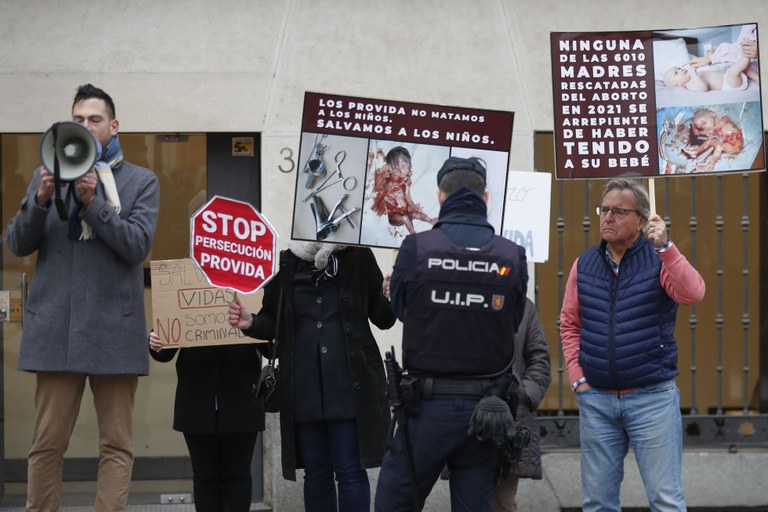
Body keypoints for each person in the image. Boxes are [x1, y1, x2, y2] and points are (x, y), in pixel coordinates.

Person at [6, 83, 160, 511]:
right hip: (57, 329)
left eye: (94, 120)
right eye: (77, 120)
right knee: (46, 445)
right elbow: (17, 244)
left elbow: (137, 246)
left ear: (114, 126)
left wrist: (93, 203)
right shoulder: (45, 176)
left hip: (114, 328)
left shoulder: (139, 182)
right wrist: (38, 199)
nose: (86, 127)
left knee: (116, 446)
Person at [375, 156, 529, 512]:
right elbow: (514, 320)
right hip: (486, 414)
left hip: (427, 411)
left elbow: (401, 311)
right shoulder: (513, 255)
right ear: (485, 198)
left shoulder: (416, 249)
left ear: (441, 197)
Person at [560, 178, 705, 512]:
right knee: (597, 503)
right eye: (604, 209)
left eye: (619, 211)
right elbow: (569, 323)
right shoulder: (585, 264)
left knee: (665, 500)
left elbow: (693, 293)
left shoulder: (660, 261)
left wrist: (667, 247)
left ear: (641, 221)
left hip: (651, 399)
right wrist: (577, 376)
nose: (607, 217)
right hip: (597, 400)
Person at [228, 242, 396, 512]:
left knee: (350, 470)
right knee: (316, 474)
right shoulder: (285, 262)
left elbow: (383, 318)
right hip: (303, 386)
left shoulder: (358, 256)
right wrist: (252, 323)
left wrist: (390, 295)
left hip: (349, 385)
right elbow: (273, 319)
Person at [148, 331, 265, 511]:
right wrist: (157, 342)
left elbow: (270, 346)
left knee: (238, 473)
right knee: (204, 475)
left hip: (241, 395)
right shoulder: (178, 301)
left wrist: (259, 325)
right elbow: (164, 352)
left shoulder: (251, 302)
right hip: (197, 396)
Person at [492, 298, 552, 512]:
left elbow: (540, 359)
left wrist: (523, 396)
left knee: (504, 504)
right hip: (467, 418)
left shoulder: (523, 306)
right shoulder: (461, 298)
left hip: (510, 421)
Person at [371, 146, 436, 234]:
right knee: (405, 217)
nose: (408, 168)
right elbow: (384, 197)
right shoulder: (388, 183)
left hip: (405, 211)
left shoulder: (405, 182)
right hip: (394, 216)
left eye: (409, 164)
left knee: (416, 214)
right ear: (392, 168)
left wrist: (412, 205)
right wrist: (390, 201)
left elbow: (407, 195)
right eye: (403, 166)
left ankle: (431, 220)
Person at [662, 52, 752, 92]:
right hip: (730, 84)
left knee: (733, 67)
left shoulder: (693, 74)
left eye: (678, 68)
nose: (680, 69)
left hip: (727, 76)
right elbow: (703, 88)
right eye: (676, 73)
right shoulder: (690, 85)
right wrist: (694, 76)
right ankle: (747, 55)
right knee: (734, 71)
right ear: (679, 86)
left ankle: (747, 64)